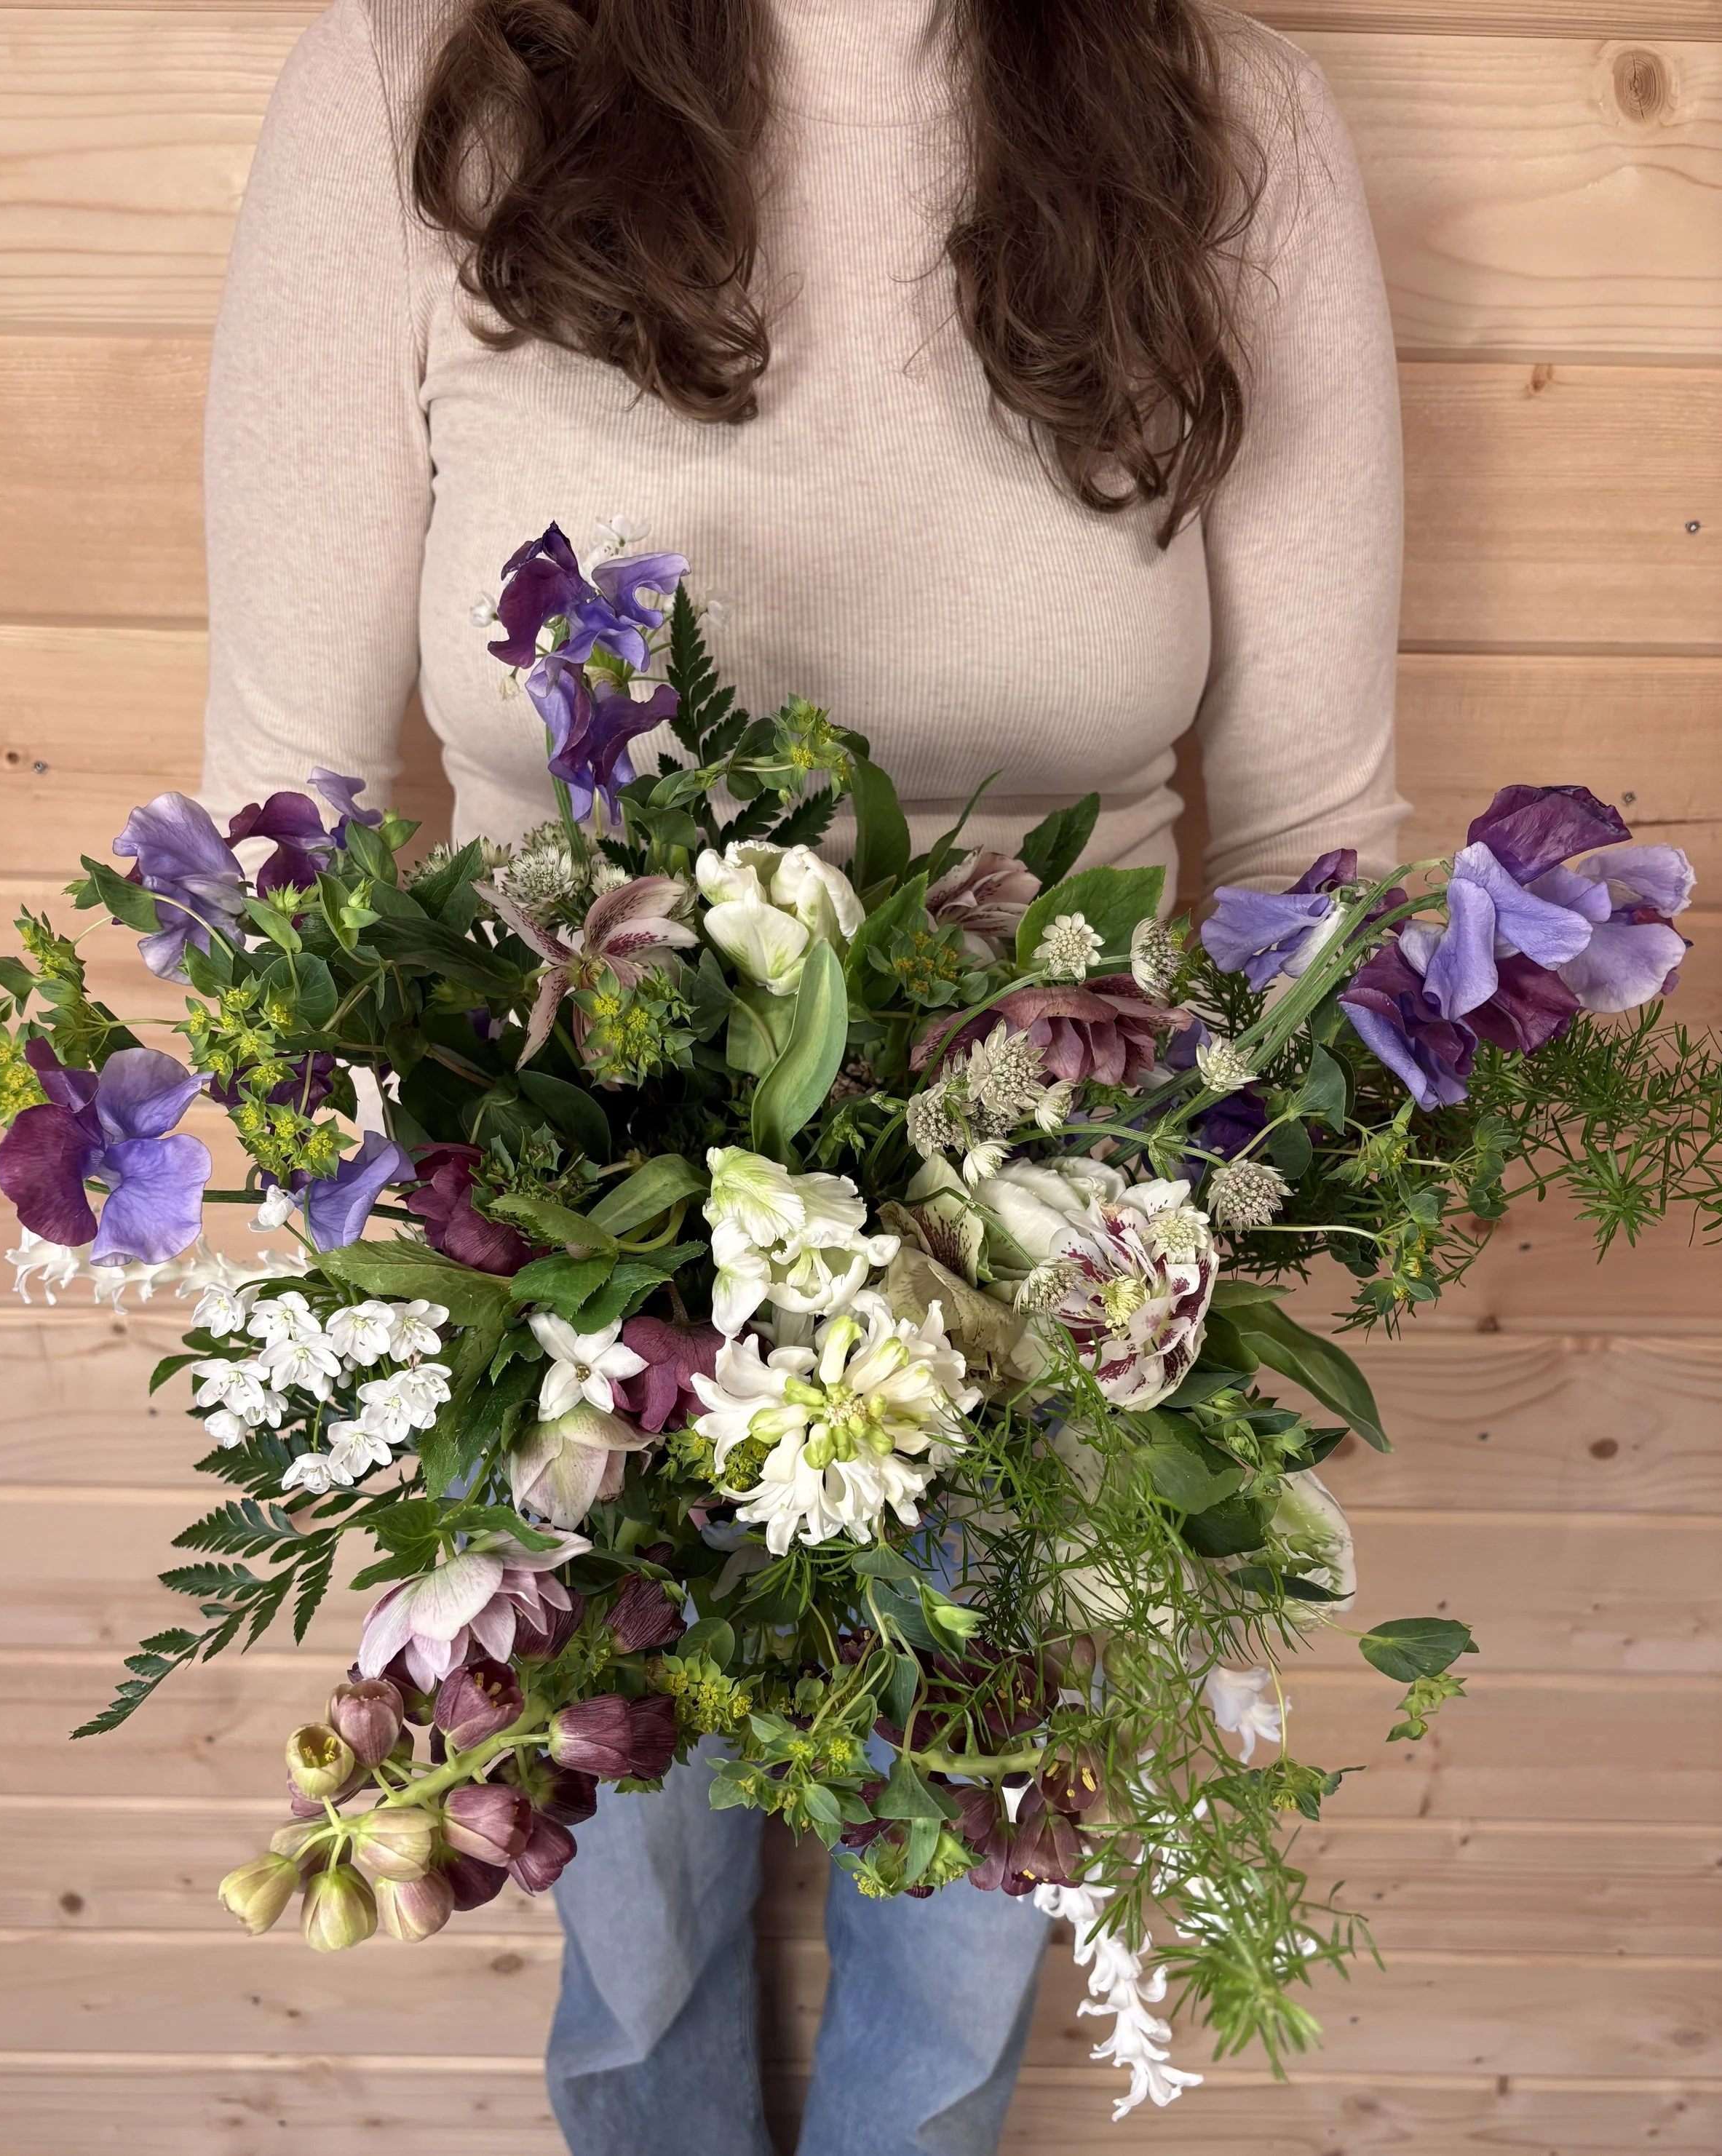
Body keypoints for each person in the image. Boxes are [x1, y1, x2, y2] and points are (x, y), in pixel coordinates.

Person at [198, 2, 1404, 2147]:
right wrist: (382, 1276)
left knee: (957, 1947)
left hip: (1053, 1273)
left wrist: (1204, 1233)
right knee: (631, 1914)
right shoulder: (412, 89)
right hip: (561, 1282)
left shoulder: (1232, 122)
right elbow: (274, 806)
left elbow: (1321, 838)